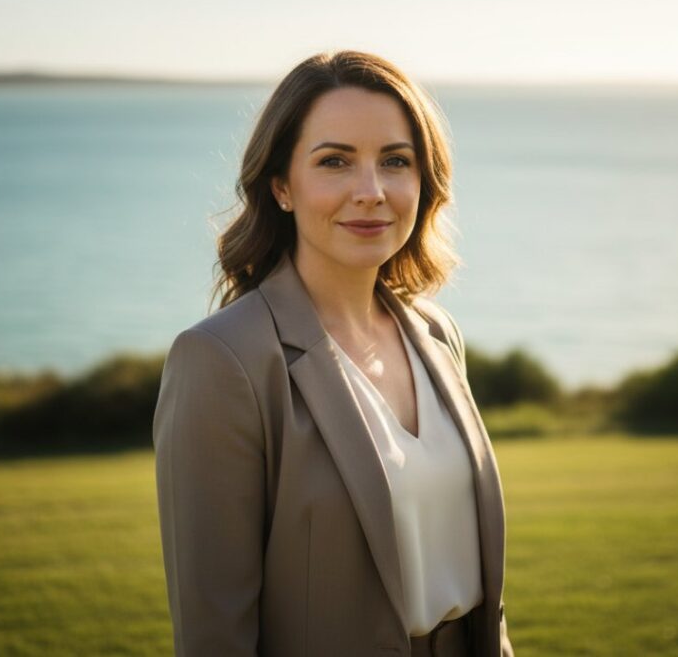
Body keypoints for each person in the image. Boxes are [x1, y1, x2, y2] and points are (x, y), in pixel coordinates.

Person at [153, 49, 514, 657]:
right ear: (282, 187)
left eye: (395, 161)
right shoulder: (222, 361)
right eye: (335, 162)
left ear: (423, 182)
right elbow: (214, 632)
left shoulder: (436, 334)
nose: (371, 192)